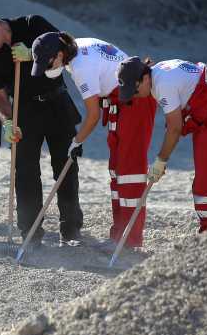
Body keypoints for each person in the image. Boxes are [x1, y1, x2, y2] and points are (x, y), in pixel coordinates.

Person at [0, 10, 83, 247]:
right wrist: (7, 121)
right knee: (25, 172)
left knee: (66, 167)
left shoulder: (33, 24)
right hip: (25, 111)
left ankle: (70, 231)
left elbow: (66, 50)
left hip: (57, 103)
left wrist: (31, 54)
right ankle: (30, 234)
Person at [30, 32, 156, 248]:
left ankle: (129, 240)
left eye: (48, 63)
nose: (47, 69)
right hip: (121, 101)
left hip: (134, 101)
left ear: (60, 54)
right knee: (117, 170)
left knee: (129, 172)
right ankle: (119, 236)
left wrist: (76, 141)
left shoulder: (80, 67)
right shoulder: (78, 46)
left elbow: (93, 116)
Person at [116, 56, 207, 232]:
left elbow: (175, 128)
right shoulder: (161, 70)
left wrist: (160, 161)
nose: (135, 96)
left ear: (144, 79)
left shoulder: (162, 85)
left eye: (134, 91)